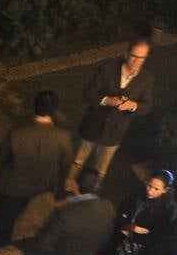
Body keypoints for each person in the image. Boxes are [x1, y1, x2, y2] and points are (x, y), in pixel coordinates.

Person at [66, 36, 154, 192]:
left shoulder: (146, 79)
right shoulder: (107, 69)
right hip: (92, 125)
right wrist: (106, 100)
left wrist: (133, 105)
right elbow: (88, 94)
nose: (136, 61)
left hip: (115, 132)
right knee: (77, 160)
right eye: (134, 56)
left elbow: (147, 106)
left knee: (101, 168)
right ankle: (68, 185)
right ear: (126, 54)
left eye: (141, 58)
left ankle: (90, 193)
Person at [0, 90, 72, 247]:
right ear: (54, 109)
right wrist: (59, 187)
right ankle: (11, 217)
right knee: (21, 206)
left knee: (6, 217)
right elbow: (65, 164)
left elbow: (1, 155)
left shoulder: (18, 132)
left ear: (34, 107)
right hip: (37, 184)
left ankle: (1, 245)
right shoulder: (63, 137)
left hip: (12, 185)